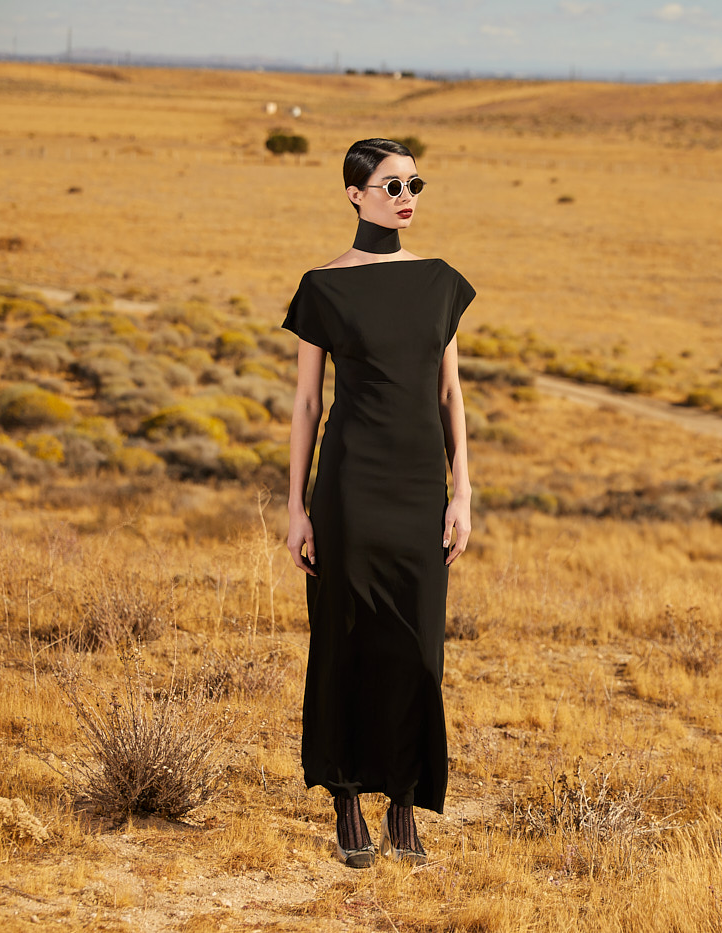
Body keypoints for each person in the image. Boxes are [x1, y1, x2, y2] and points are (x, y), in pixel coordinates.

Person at [282, 137, 475, 868]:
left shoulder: (440, 281)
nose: (406, 197)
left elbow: (450, 392)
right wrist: (296, 506)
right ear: (355, 195)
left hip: (420, 486)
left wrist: (463, 491)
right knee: (345, 636)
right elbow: (307, 403)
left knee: (418, 646)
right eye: (392, 185)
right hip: (351, 486)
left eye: (414, 184)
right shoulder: (323, 287)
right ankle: (345, 799)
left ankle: (404, 801)